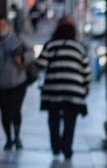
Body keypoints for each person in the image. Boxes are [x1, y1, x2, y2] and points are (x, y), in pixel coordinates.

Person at [35, 20, 91, 160]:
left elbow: (40, 64)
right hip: (74, 91)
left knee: (53, 119)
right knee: (70, 121)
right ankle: (67, 148)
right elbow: (86, 71)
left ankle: (55, 147)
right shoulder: (79, 48)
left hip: (54, 90)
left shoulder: (51, 45)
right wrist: (85, 87)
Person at [0, 15, 32, 150]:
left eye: (4, 25)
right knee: (5, 112)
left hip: (18, 82)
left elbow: (31, 53)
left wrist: (22, 58)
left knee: (15, 110)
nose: (1, 28)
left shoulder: (18, 40)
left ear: (9, 26)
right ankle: (8, 138)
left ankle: (17, 136)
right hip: (0, 84)